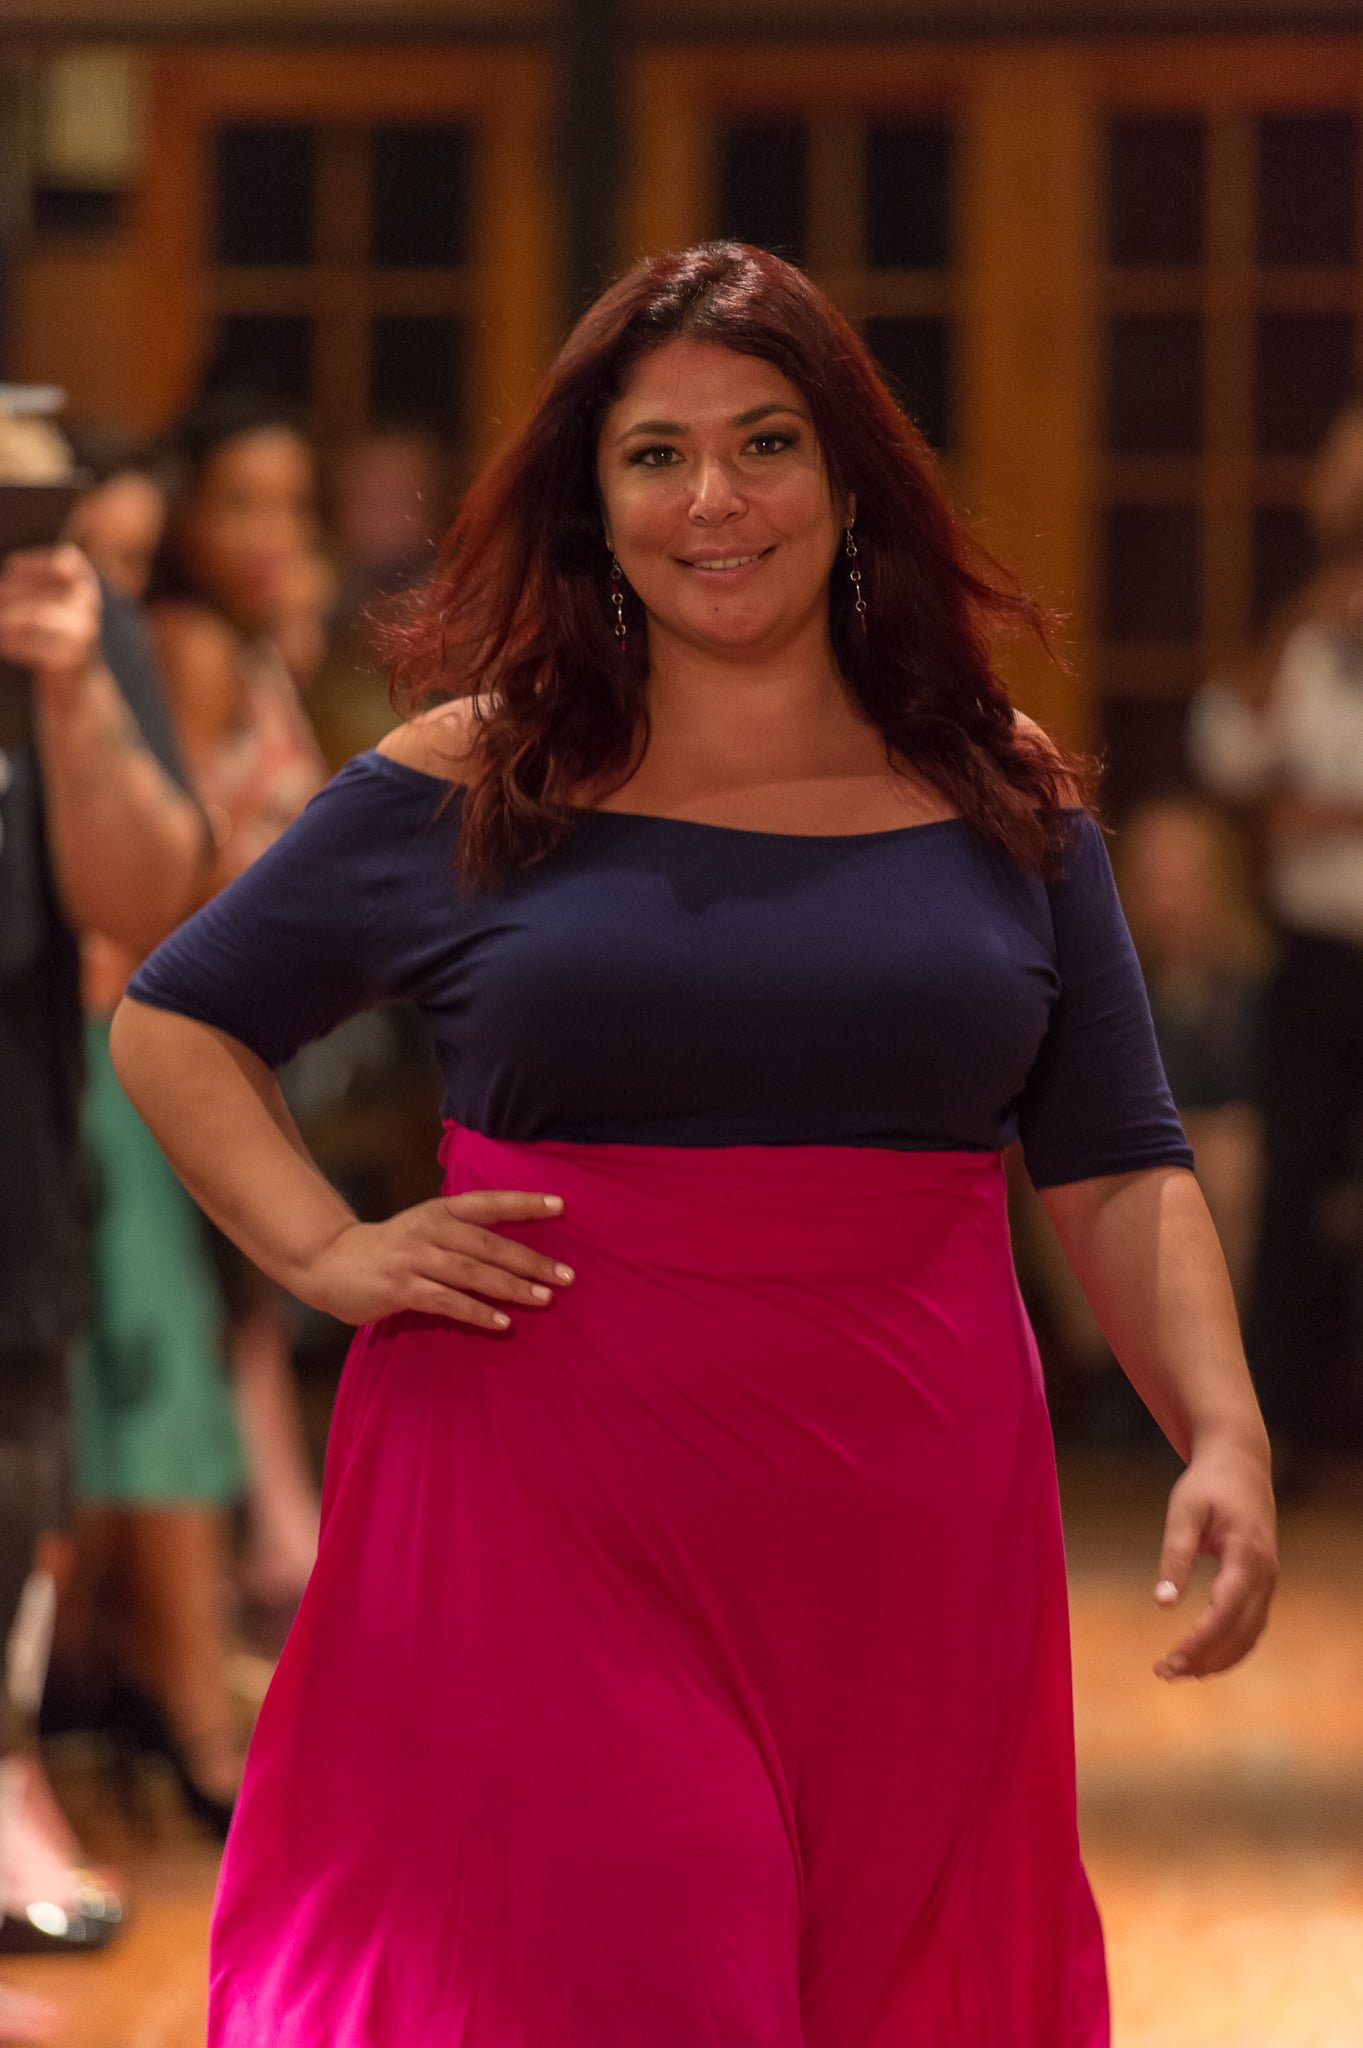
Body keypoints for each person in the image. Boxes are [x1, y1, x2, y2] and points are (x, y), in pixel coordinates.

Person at [113, 244, 1278, 2048]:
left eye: (764, 442)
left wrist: (1221, 1428)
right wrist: (323, 1248)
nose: (711, 498)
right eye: (654, 454)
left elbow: (1115, 1156)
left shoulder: (999, 788)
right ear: (592, 501)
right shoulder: (473, 775)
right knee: (638, 1970)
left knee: (884, 1990)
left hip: (908, 1532)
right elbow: (174, 1016)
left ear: (850, 479)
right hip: (539, 1504)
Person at [0, 420, 207, 2034]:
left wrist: (67, 684)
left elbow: (149, 899)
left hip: (12, 1172)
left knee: (15, 1492)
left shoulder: (65, 605)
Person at [144, 393, 330, 1635]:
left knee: (246, 1293)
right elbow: (178, 854)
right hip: (197, 1010)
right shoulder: (195, 648)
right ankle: (260, 1553)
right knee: (217, 1291)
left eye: (292, 506)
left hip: (258, 1014)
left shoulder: (249, 645)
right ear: (185, 514)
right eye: (239, 504)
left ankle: (269, 1544)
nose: (271, 532)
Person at [1189, 396, 1363, 1471]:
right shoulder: (1309, 623)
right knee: (1289, 1184)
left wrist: (1330, 814)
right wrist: (1296, 626)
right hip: (1316, 950)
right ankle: (1278, 1431)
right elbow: (1228, 748)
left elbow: (1313, 798)